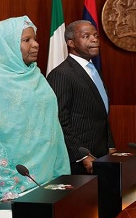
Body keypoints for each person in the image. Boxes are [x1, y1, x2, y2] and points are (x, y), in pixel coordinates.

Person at [0, 16, 70, 205]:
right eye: (27, 40)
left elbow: (53, 129)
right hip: (10, 187)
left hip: (47, 178)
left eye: (35, 39)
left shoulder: (36, 76)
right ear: (6, 45)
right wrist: (5, 186)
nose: (36, 44)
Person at [47, 20, 116, 175]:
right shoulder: (61, 74)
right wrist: (82, 155)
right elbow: (59, 120)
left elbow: (101, 114)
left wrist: (110, 146)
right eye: (86, 36)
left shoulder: (92, 70)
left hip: (101, 154)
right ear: (70, 42)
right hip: (79, 161)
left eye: (95, 35)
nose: (94, 39)